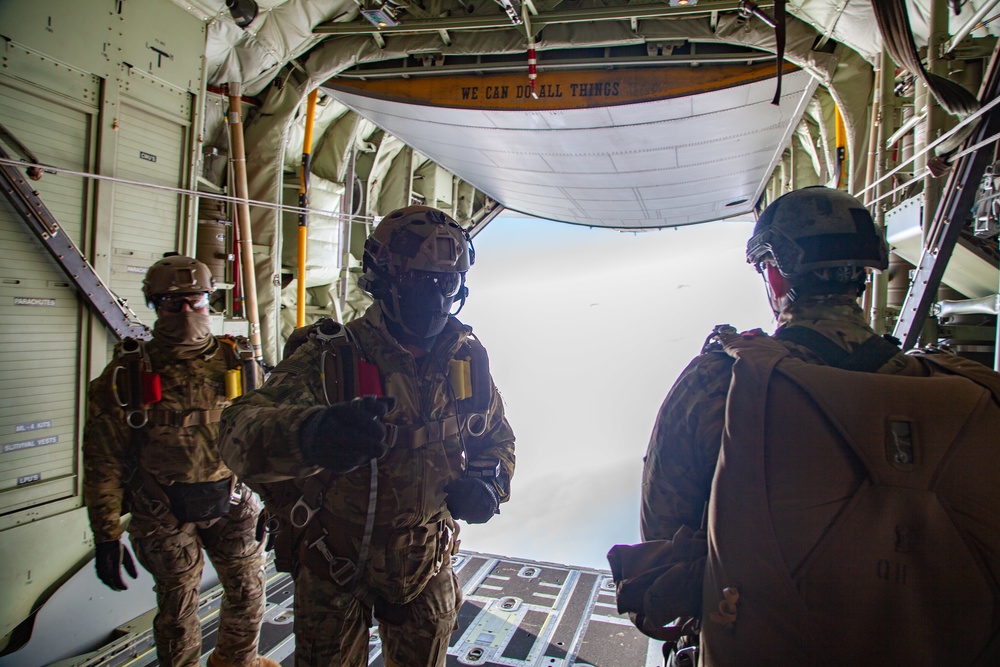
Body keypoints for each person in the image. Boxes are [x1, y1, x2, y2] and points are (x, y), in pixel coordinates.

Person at [621, 186, 1000, 666]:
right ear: (864, 274)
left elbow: (661, 578)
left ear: (775, 275)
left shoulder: (720, 381)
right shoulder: (975, 390)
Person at [218, 205, 515, 667]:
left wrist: (489, 482)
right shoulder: (334, 355)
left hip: (426, 565)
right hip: (333, 562)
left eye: (448, 283)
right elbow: (237, 432)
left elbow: (496, 437)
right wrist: (311, 436)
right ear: (385, 281)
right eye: (422, 281)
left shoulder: (465, 362)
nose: (437, 298)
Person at [83, 254, 277, 667]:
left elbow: (265, 436)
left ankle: (237, 662)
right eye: (174, 304)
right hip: (161, 507)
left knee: (249, 591)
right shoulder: (128, 373)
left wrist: (278, 497)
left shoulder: (238, 363)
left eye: (196, 301)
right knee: (177, 607)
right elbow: (103, 460)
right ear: (155, 306)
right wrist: (106, 535)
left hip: (231, 496)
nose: (187, 312)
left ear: (210, 301)